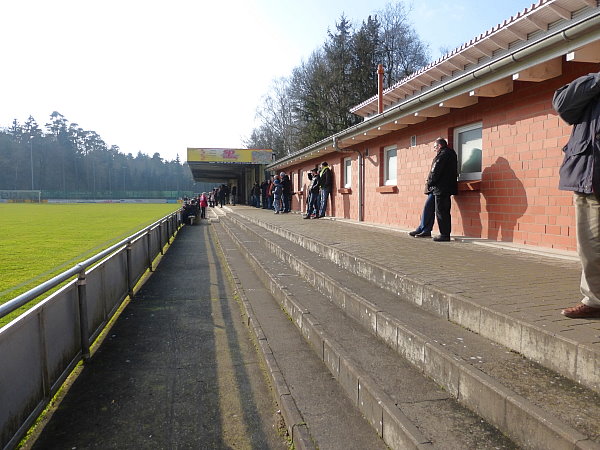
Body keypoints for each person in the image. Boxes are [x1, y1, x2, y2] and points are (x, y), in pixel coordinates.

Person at [552, 70, 600, 318]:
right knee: (590, 246)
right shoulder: (590, 87)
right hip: (588, 178)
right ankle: (594, 301)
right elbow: (561, 104)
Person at [426, 138, 458, 241]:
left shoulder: (442, 155)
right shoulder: (451, 154)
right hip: (447, 187)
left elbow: (435, 171)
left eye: (435, 147)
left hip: (441, 188)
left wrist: (430, 182)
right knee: (445, 211)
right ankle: (445, 234)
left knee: (441, 211)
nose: (434, 149)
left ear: (439, 146)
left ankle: (444, 235)